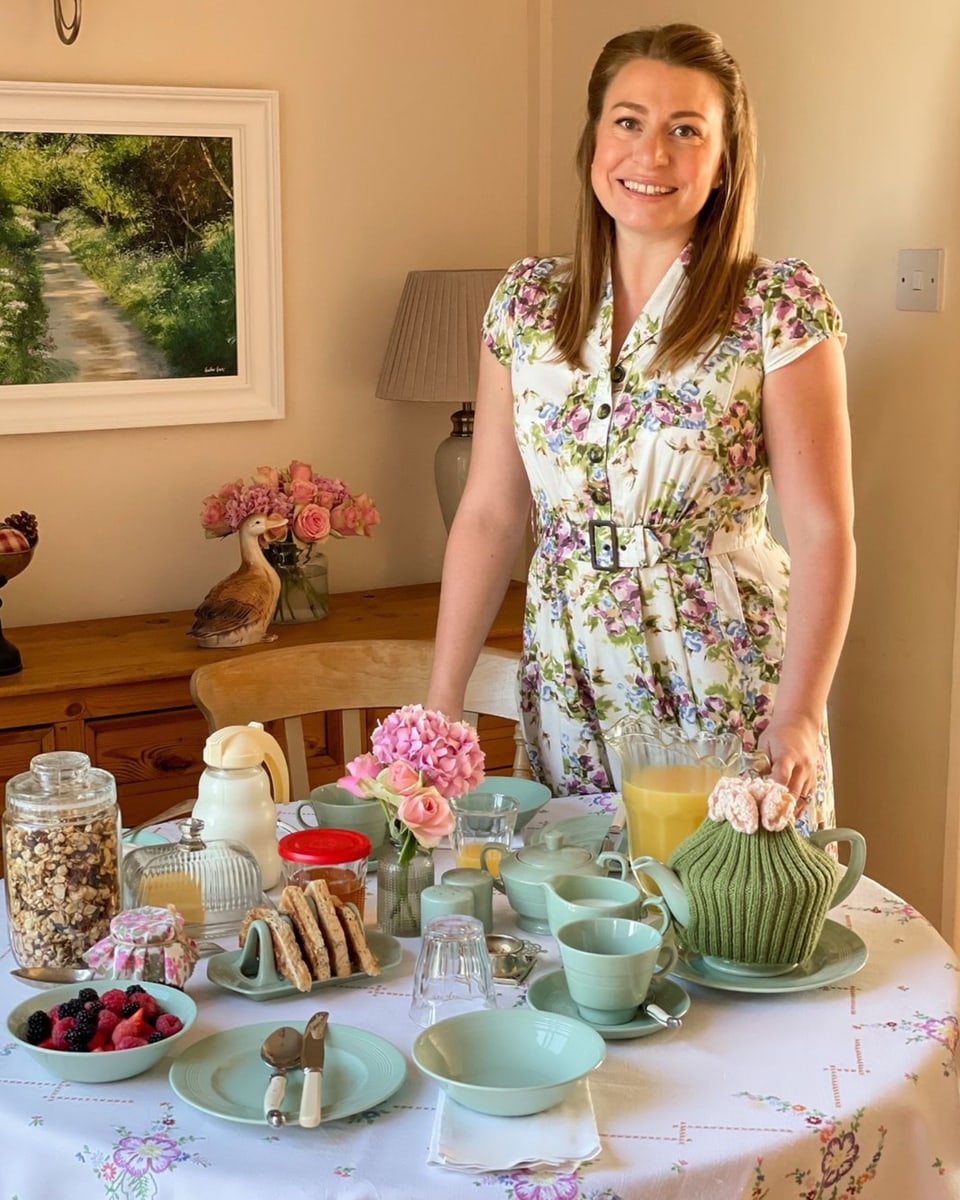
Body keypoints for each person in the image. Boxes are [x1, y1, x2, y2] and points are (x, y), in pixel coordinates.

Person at [426, 23, 855, 834]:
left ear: (724, 159)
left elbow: (824, 530)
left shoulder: (777, 305)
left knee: (729, 928)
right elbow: (488, 514)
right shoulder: (524, 306)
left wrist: (800, 711)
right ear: (595, 139)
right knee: (578, 927)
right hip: (568, 672)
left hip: (723, 671)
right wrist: (442, 708)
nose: (650, 155)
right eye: (629, 122)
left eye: (685, 130)